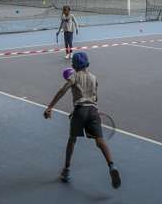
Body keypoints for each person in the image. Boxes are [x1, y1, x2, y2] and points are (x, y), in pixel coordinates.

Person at [43, 52, 121, 189]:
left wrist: (50, 107)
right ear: (87, 64)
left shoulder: (74, 76)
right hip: (93, 112)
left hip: (80, 111)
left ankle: (66, 171)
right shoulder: (94, 78)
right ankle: (112, 165)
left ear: (74, 65)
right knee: (100, 141)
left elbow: (63, 90)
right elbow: (94, 99)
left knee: (72, 140)